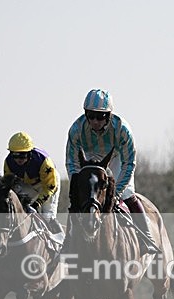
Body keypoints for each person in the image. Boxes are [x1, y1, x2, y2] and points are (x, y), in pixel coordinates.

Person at [64, 88, 159, 254]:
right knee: (78, 201)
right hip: (88, 160)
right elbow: (71, 162)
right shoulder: (76, 129)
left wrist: (117, 191)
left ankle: (147, 238)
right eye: (90, 115)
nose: (94, 121)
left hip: (116, 158)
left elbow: (129, 162)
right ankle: (68, 243)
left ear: (108, 115)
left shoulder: (123, 130)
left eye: (100, 116)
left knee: (128, 194)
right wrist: (78, 184)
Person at [3, 131, 63, 235]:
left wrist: (36, 205)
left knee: (47, 217)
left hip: (47, 185)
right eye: (15, 155)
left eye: (22, 156)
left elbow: (49, 187)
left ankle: (63, 240)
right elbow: (10, 185)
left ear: (29, 153)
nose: (18, 160)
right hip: (27, 184)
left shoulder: (44, 161)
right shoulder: (8, 162)